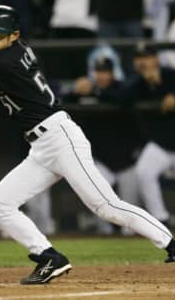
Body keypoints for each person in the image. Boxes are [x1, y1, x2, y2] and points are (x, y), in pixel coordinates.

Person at [0, 5, 175, 284]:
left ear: (14, 35)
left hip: (59, 138)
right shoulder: (11, 52)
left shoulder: (4, 60)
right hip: (41, 147)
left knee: (107, 206)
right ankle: (48, 256)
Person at [124, 45, 175, 236]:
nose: (142, 62)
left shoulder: (174, 75)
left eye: (147, 57)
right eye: (138, 58)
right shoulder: (138, 84)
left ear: (156, 59)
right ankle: (160, 219)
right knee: (144, 171)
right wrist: (150, 84)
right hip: (162, 144)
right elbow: (123, 99)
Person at [62, 57, 140, 234]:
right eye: (99, 72)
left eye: (105, 72)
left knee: (130, 205)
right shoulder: (89, 89)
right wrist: (75, 91)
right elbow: (63, 103)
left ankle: (131, 239)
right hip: (101, 159)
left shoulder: (121, 88)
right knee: (99, 198)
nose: (102, 75)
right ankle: (105, 233)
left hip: (126, 157)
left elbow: (122, 99)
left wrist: (95, 93)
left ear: (112, 73)